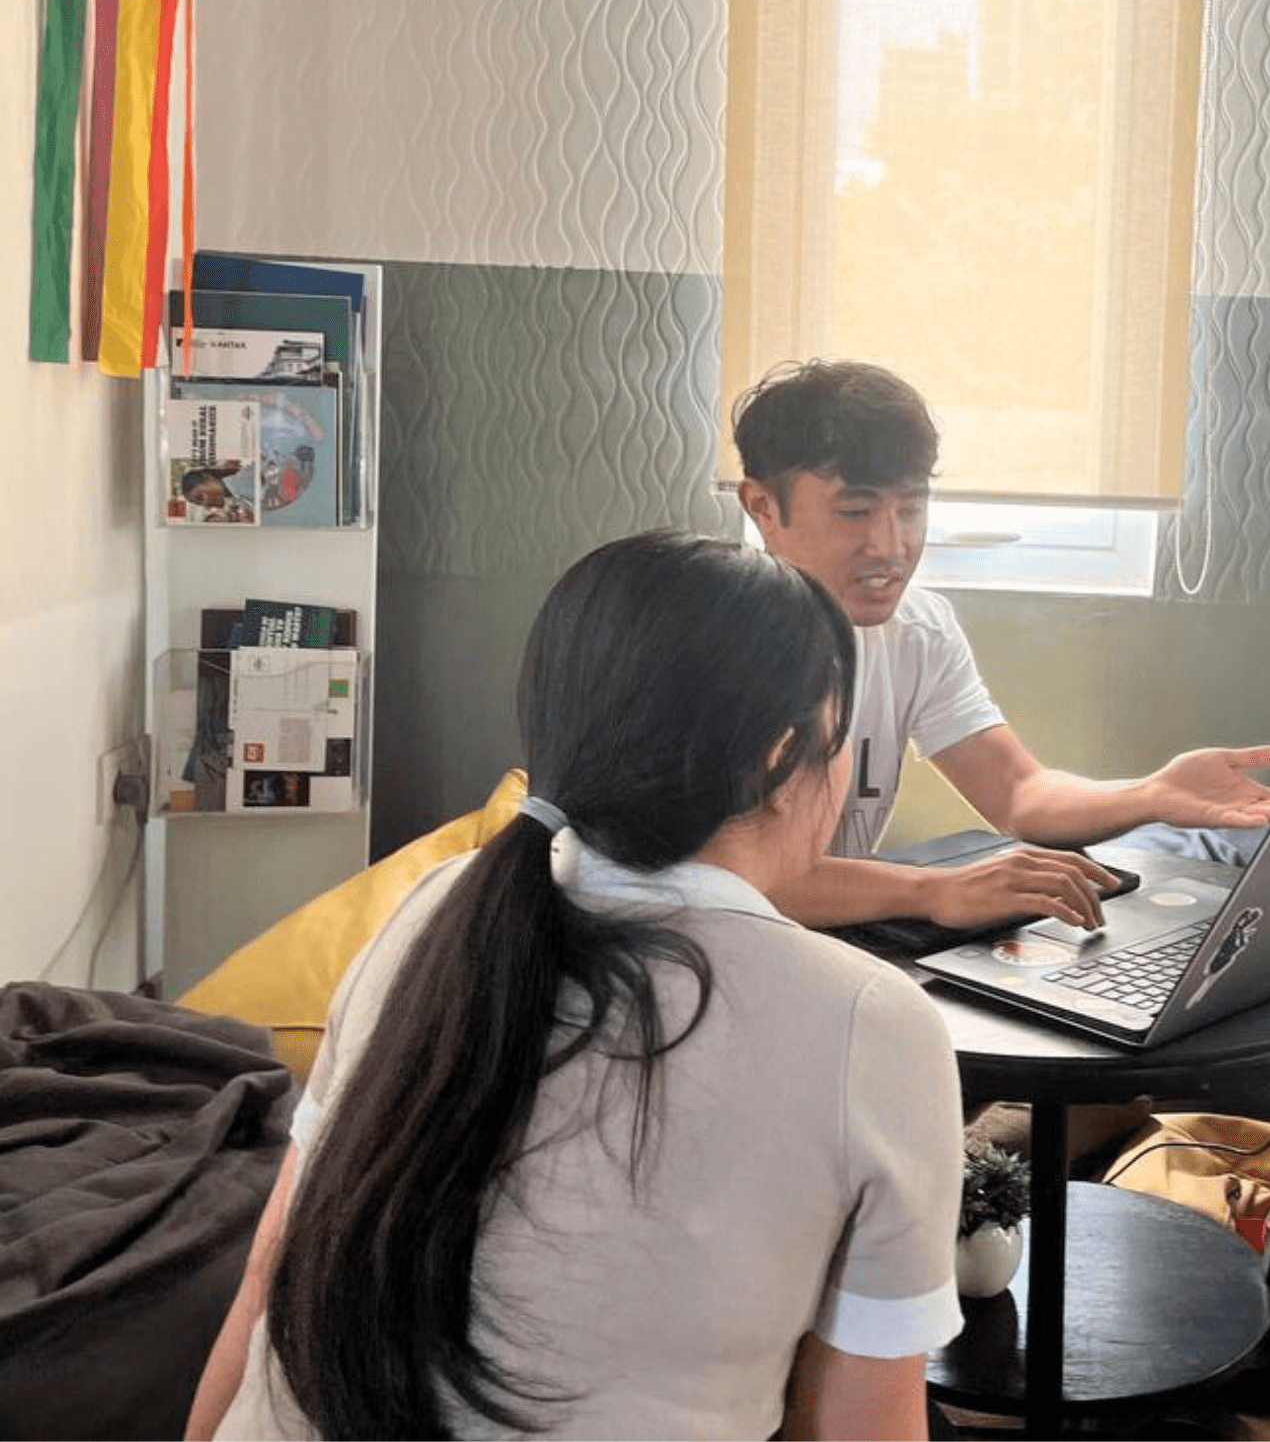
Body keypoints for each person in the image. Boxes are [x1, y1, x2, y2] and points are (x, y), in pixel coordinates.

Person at [185, 531, 965, 1441]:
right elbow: (861, 1426)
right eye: (843, 743)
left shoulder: (434, 909)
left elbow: (266, 1280)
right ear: (778, 758)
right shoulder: (872, 1024)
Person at [732, 358, 1270, 933]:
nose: (891, 545)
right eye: (855, 511)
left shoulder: (920, 629)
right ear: (762, 507)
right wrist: (935, 889)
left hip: (838, 942)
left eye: (911, 509)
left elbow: (1019, 791)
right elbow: (735, 878)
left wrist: (1150, 793)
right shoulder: (705, 635)